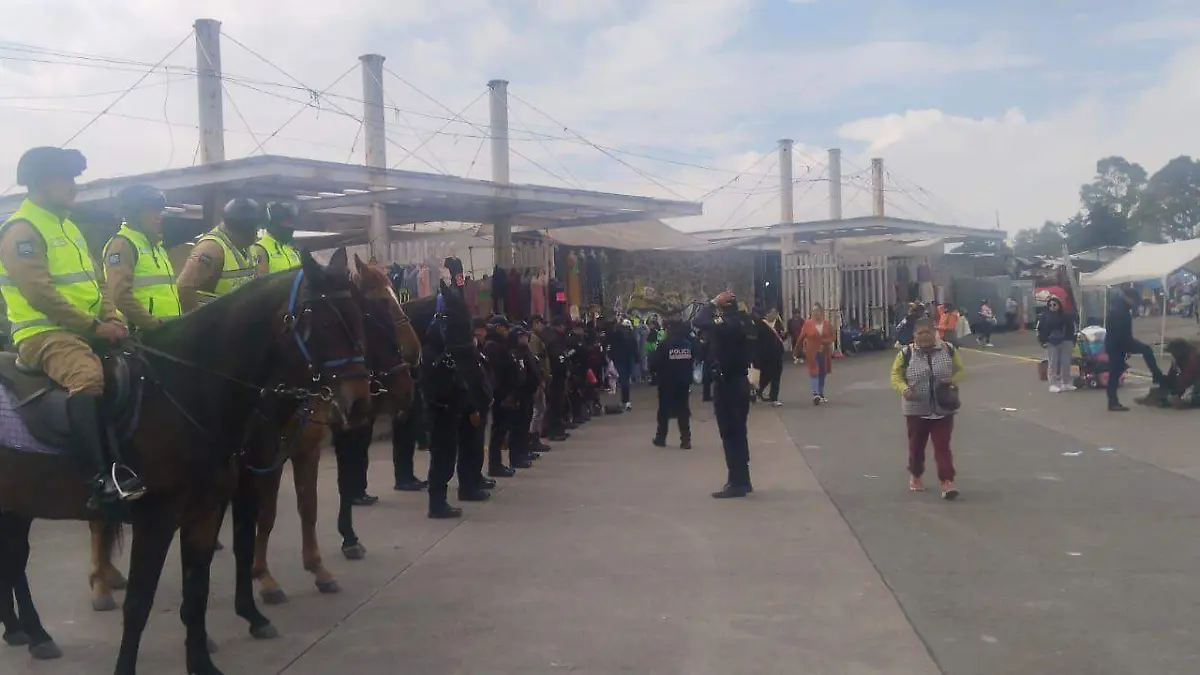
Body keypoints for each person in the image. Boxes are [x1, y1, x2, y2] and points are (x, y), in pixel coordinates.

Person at [0, 147, 139, 509]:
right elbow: (39, 293)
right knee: (86, 376)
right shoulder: (22, 231)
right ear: (41, 183)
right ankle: (100, 478)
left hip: (85, 329)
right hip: (43, 334)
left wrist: (112, 318)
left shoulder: (68, 226)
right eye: (65, 179)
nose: (73, 187)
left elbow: (96, 283)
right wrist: (94, 326)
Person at [890, 317, 964, 499]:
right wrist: (903, 389)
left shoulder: (948, 349)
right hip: (916, 409)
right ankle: (915, 474)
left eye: (928, 332)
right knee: (916, 447)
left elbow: (960, 369)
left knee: (943, 447)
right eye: (920, 333)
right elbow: (895, 375)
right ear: (914, 335)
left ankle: (947, 482)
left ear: (934, 332)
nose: (924, 336)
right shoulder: (906, 353)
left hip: (943, 408)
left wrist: (952, 381)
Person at [692, 290, 756, 499]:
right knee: (739, 432)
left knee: (730, 434)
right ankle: (743, 479)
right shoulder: (745, 322)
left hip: (727, 384)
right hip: (741, 382)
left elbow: (698, 321)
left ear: (722, 308)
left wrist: (712, 302)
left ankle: (736, 482)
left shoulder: (726, 324)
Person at [103, 185, 181, 330]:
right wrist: (153, 324)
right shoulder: (123, 245)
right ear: (133, 214)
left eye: (159, 211)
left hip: (168, 332)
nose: (158, 216)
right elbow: (120, 296)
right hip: (144, 334)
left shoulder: (157, 247)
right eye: (151, 211)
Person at [176, 197, 264, 312]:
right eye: (254, 228)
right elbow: (184, 287)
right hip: (216, 319)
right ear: (243, 228)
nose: (256, 232)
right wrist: (197, 320)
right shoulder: (212, 249)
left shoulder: (248, 247)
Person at [1105, 287, 1164, 411]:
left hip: (1121, 342)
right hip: (1118, 344)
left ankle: (1157, 375)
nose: (1135, 303)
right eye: (1134, 300)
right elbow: (1118, 334)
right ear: (1127, 297)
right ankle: (1112, 402)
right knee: (1115, 373)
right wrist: (1126, 349)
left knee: (1145, 350)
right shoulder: (1119, 311)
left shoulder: (1120, 307)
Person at [650, 319, 694, 449]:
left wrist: (654, 373)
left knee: (664, 410)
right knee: (683, 410)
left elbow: (655, 362)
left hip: (667, 382)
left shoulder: (665, 344)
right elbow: (694, 357)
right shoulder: (687, 344)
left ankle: (661, 438)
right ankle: (685, 439)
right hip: (683, 382)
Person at [1038, 296, 1077, 393]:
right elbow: (1040, 329)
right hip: (1052, 342)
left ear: (1059, 305)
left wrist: (1073, 340)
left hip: (1066, 341)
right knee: (1053, 363)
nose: (1052, 306)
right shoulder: (1044, 316)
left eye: (1054, 304)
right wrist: (1043, 341)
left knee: (1066, 363)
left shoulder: (1067, 316)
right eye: (1050, 305)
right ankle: (1053, 384)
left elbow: (1073, 328)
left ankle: (1065, 383)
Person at [798, 303, 835, 405]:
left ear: (821, 312)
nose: (815, 313)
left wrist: (824, 342)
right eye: (813, 311)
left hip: (824, 352)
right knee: (814, 372)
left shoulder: (827, 324)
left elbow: (832, 337)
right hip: (812, 352)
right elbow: (801, 338)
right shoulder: (808, 324)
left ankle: (821, 393)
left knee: (822, 373)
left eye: (817, 311)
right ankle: (816, 394)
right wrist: (797, 351)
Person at [251, 200, 302, 274]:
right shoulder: (261, 249)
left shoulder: (291, 249)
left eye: (291, 222)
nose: (291, 227)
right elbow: (261, 280)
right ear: (274, 223)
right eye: (286, 222)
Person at [608, 318, 638, 410]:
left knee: (625, 381)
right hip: (621, 361)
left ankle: (624, 400)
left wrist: (636, 358)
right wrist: (613, 358)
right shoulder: (617, 336)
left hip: (628, 361)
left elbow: (635, 348)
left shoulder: (631, 337)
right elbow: (612, 347)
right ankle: (626, 401)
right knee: (624, 381)